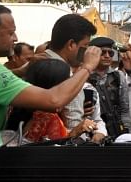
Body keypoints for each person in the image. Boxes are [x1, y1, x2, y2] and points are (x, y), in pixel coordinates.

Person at [0, 4, 101, 132]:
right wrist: (88, 67)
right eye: (10, 33)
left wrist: (19, 71)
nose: (16, 38)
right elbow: (54, 100)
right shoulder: (67, 75)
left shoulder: (28, 67)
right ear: (71, 44)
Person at [45, 14, 107, 143]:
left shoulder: (38, 61)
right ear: (71, 44)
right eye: (85, 46)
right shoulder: (63, 73)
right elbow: (73, 122)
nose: (86, 52)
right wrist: (88, 67)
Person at [21, 59, 98, 142]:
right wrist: (75, 132)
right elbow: (57, 149)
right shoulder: (48, 117)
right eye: (68, 81)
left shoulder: (28, 109)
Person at [87, 37, 131, 137]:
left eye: (110, 53)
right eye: (103, 52)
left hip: (117, 129)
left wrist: (127, 132)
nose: (107, 56)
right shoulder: (84, 76)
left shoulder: (118, 76)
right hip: (93, 131)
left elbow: (124, 109)